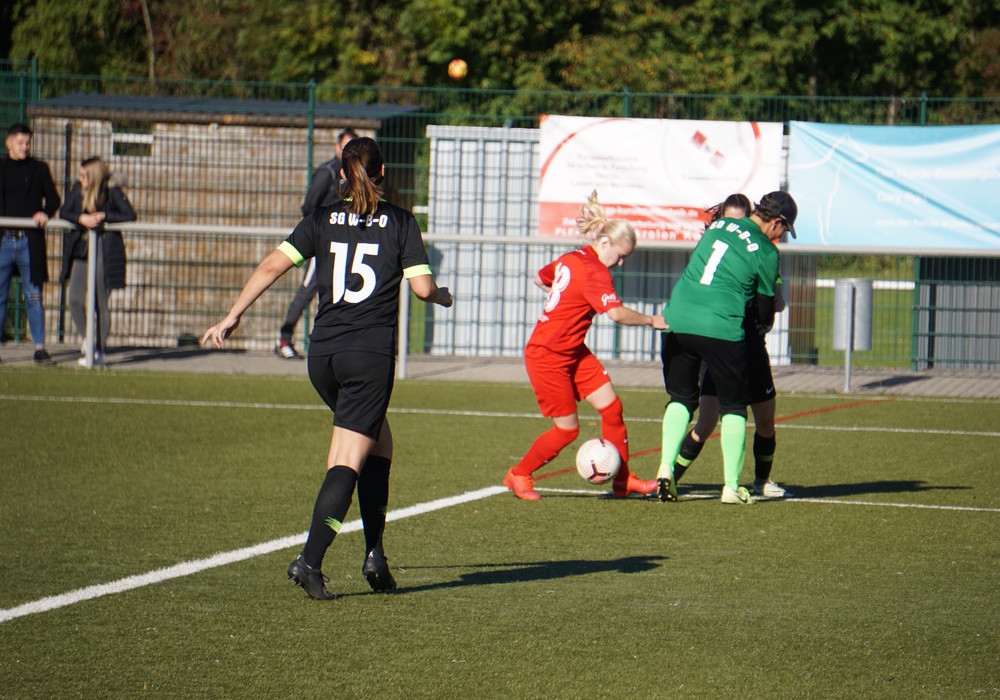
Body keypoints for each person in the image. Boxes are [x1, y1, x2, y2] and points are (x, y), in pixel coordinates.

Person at [202, 137, 453, 600]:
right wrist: (443, 295)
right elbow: (422, 289)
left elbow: (272, 265)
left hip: (323, 356)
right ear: (383, 173)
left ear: (341, 175)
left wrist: (233, 315)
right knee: (346, 461)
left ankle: (376, 554)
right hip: (367, 358)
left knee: (379, 441)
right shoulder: (401, 222)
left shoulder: (321, 219)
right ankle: (310, 560)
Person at [504, 190, 668, 501]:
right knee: (567, 430)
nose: (620, 263)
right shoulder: (595, 272)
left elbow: (541, 279)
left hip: (573, 350)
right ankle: (519, 474)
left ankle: (623, 482)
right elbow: (616, 314)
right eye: (620, 256)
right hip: (548, 355)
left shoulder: (573, 257)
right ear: (604, 242)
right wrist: (651, 320)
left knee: (612, 408)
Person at [656, 191, 797, 505]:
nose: (781, 235)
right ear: (777, 221)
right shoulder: (766, 250)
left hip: (677, 318)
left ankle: (665, 469)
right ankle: (732, 487)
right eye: (784, 229)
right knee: (734, 407)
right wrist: (768, 311)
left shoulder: (718, 226)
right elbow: (764, 313)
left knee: (681, 400)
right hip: (723, 327)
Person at [274, 128, 358, 360]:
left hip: (346, 244)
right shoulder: (327, 172)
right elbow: (308, 206)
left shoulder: (355, 176)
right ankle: (283, 339)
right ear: (337, 147)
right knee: (308, 289)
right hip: (324, 244)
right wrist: (320, 230)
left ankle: (342, 342)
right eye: (345, 146)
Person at [59, 156, 137, 367]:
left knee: (100, 302)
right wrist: (81, 218)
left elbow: (130, 215)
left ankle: (100, 350)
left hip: (104, 247)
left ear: (93, 176)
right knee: (75, 298)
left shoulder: (111, 190)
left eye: (84, 176)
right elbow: (64, 211)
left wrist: (104, 216)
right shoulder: (78, 189)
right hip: (83, 248)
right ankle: (89, 340)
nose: (80, 179)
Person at [0, 123, 61, 364]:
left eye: (27, 143)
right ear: (9, 143)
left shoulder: (39, 169)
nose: (25, 147)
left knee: (34, 296)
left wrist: (45, 212)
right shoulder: (1, 167)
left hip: (29, 241)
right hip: (3, 240)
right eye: (20, 143)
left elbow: (54, 198)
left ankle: (39, 348)